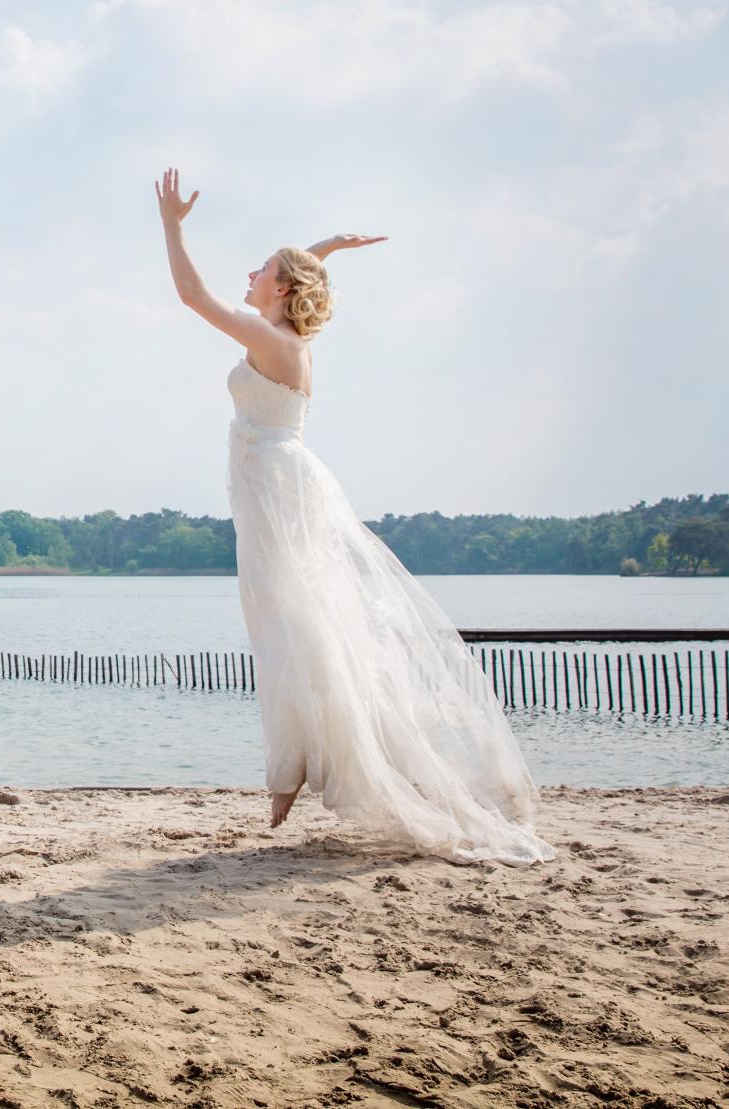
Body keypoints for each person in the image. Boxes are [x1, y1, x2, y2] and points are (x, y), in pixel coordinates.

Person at [155, 167, 552, 865]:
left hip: (276, 491)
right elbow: (290, 278)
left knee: (293, 626)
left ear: (278, 289)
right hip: (277, 483)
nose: (250, 272)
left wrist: (172, 223)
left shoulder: (269, 337)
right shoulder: (283, 336)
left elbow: (191, 294)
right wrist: (326, 248)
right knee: (294, 621)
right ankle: (291, 772)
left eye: (263, 269)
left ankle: (297, 772)